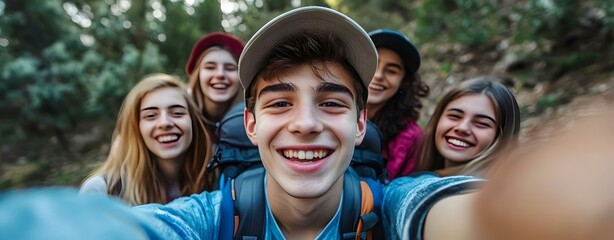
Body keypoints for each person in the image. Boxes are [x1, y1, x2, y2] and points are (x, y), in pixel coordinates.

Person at [4, 6, 614, 240]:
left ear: (359, 125)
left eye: (330, 102)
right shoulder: (214, 216)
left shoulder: (393, 207)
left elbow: (456, 212)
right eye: (277, 103)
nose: (304, 124)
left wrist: (520, 215)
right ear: (249, 122)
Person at [79, 73, 218, 205]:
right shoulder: (103, 191)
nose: (165, 123)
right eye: (151, 115)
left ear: (193, 122)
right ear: (135, 127)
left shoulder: (216, 181)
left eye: (177, 113)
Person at [412, 77, 521, 177]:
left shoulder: (494, 196)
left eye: (481, 123)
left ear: (503, 136)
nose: (463, 128)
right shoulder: (413, 179)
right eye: (454, 116)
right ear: (437, 119)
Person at [367, 29, 430, 181]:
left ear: (403, 81)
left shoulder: (411, 138)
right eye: (372, 65)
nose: (378, 76)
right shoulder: (327, 113)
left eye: (391, 71)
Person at [185, 32, 245, 137]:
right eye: (210, 67)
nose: (220, 74)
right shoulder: (182, 121)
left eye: (230, 68)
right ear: (197, 75)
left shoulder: (256, 123)